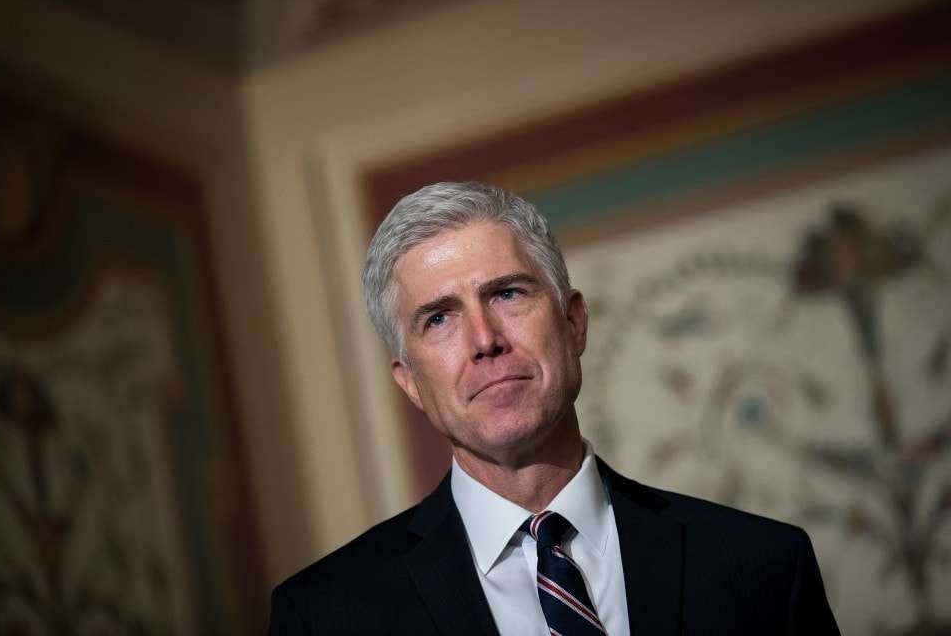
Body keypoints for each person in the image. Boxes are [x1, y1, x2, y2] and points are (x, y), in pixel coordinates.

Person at [269, 182, 840, 635]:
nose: (484, 339)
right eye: (438, 318)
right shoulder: (324, 615)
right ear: (411, 383)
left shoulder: (762, 567)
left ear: (573, 323)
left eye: (507, 294)